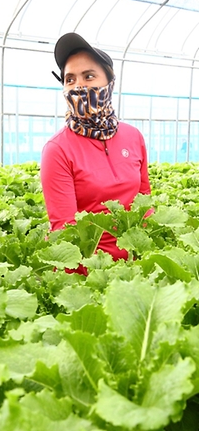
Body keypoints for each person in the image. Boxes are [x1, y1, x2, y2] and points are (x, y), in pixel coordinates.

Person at [40, 32, 150, 264]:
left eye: (89, 76)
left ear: (109, 84)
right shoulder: (57, 149)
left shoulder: (133, 137)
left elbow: (144, 201)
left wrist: (145, 256)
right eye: (70, 79)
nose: (78, 86)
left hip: (137, 265)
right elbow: (65, 230)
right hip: (89, 270)